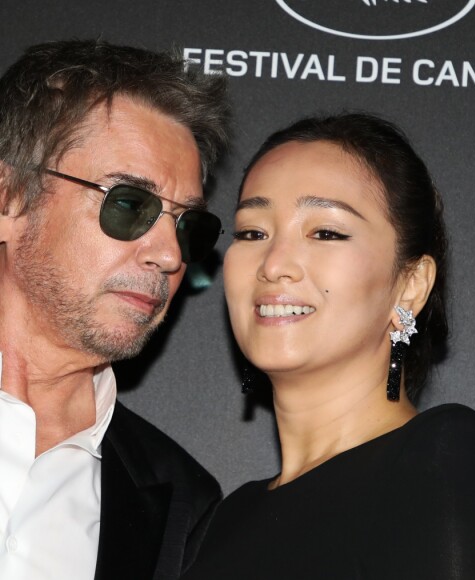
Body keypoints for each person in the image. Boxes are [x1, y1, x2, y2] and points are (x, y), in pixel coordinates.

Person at [190, 113, 475, 579]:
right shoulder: (224, 519)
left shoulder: (440, 458)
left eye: (325, 232)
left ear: (409, 285)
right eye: (253, 232)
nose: (274, 264)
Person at [0, 40, 229, 579]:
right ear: (9, 200)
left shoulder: (182, 505)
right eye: (129, 203)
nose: (170, 255)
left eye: (186, 224)